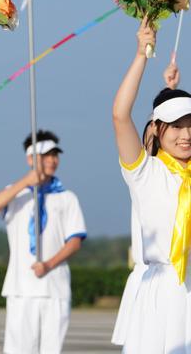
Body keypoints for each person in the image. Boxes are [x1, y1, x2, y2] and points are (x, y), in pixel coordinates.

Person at [112, 20, 191, 352]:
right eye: (176, 126)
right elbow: (120, 115)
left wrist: (173, 87)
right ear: (157, 129)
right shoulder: (146, 173)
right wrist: (142, 54)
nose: (186, 135)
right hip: (161, 292)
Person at [0, 131, 86, 354]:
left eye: (55, 155)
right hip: (20, 287)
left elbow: (74, 241)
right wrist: (26, 182)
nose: (52, 160)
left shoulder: (67, 197)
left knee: (52, 349)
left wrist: (49, 264)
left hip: (55, 286)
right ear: (31, 159)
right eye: (46, 155)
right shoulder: (15, 195)